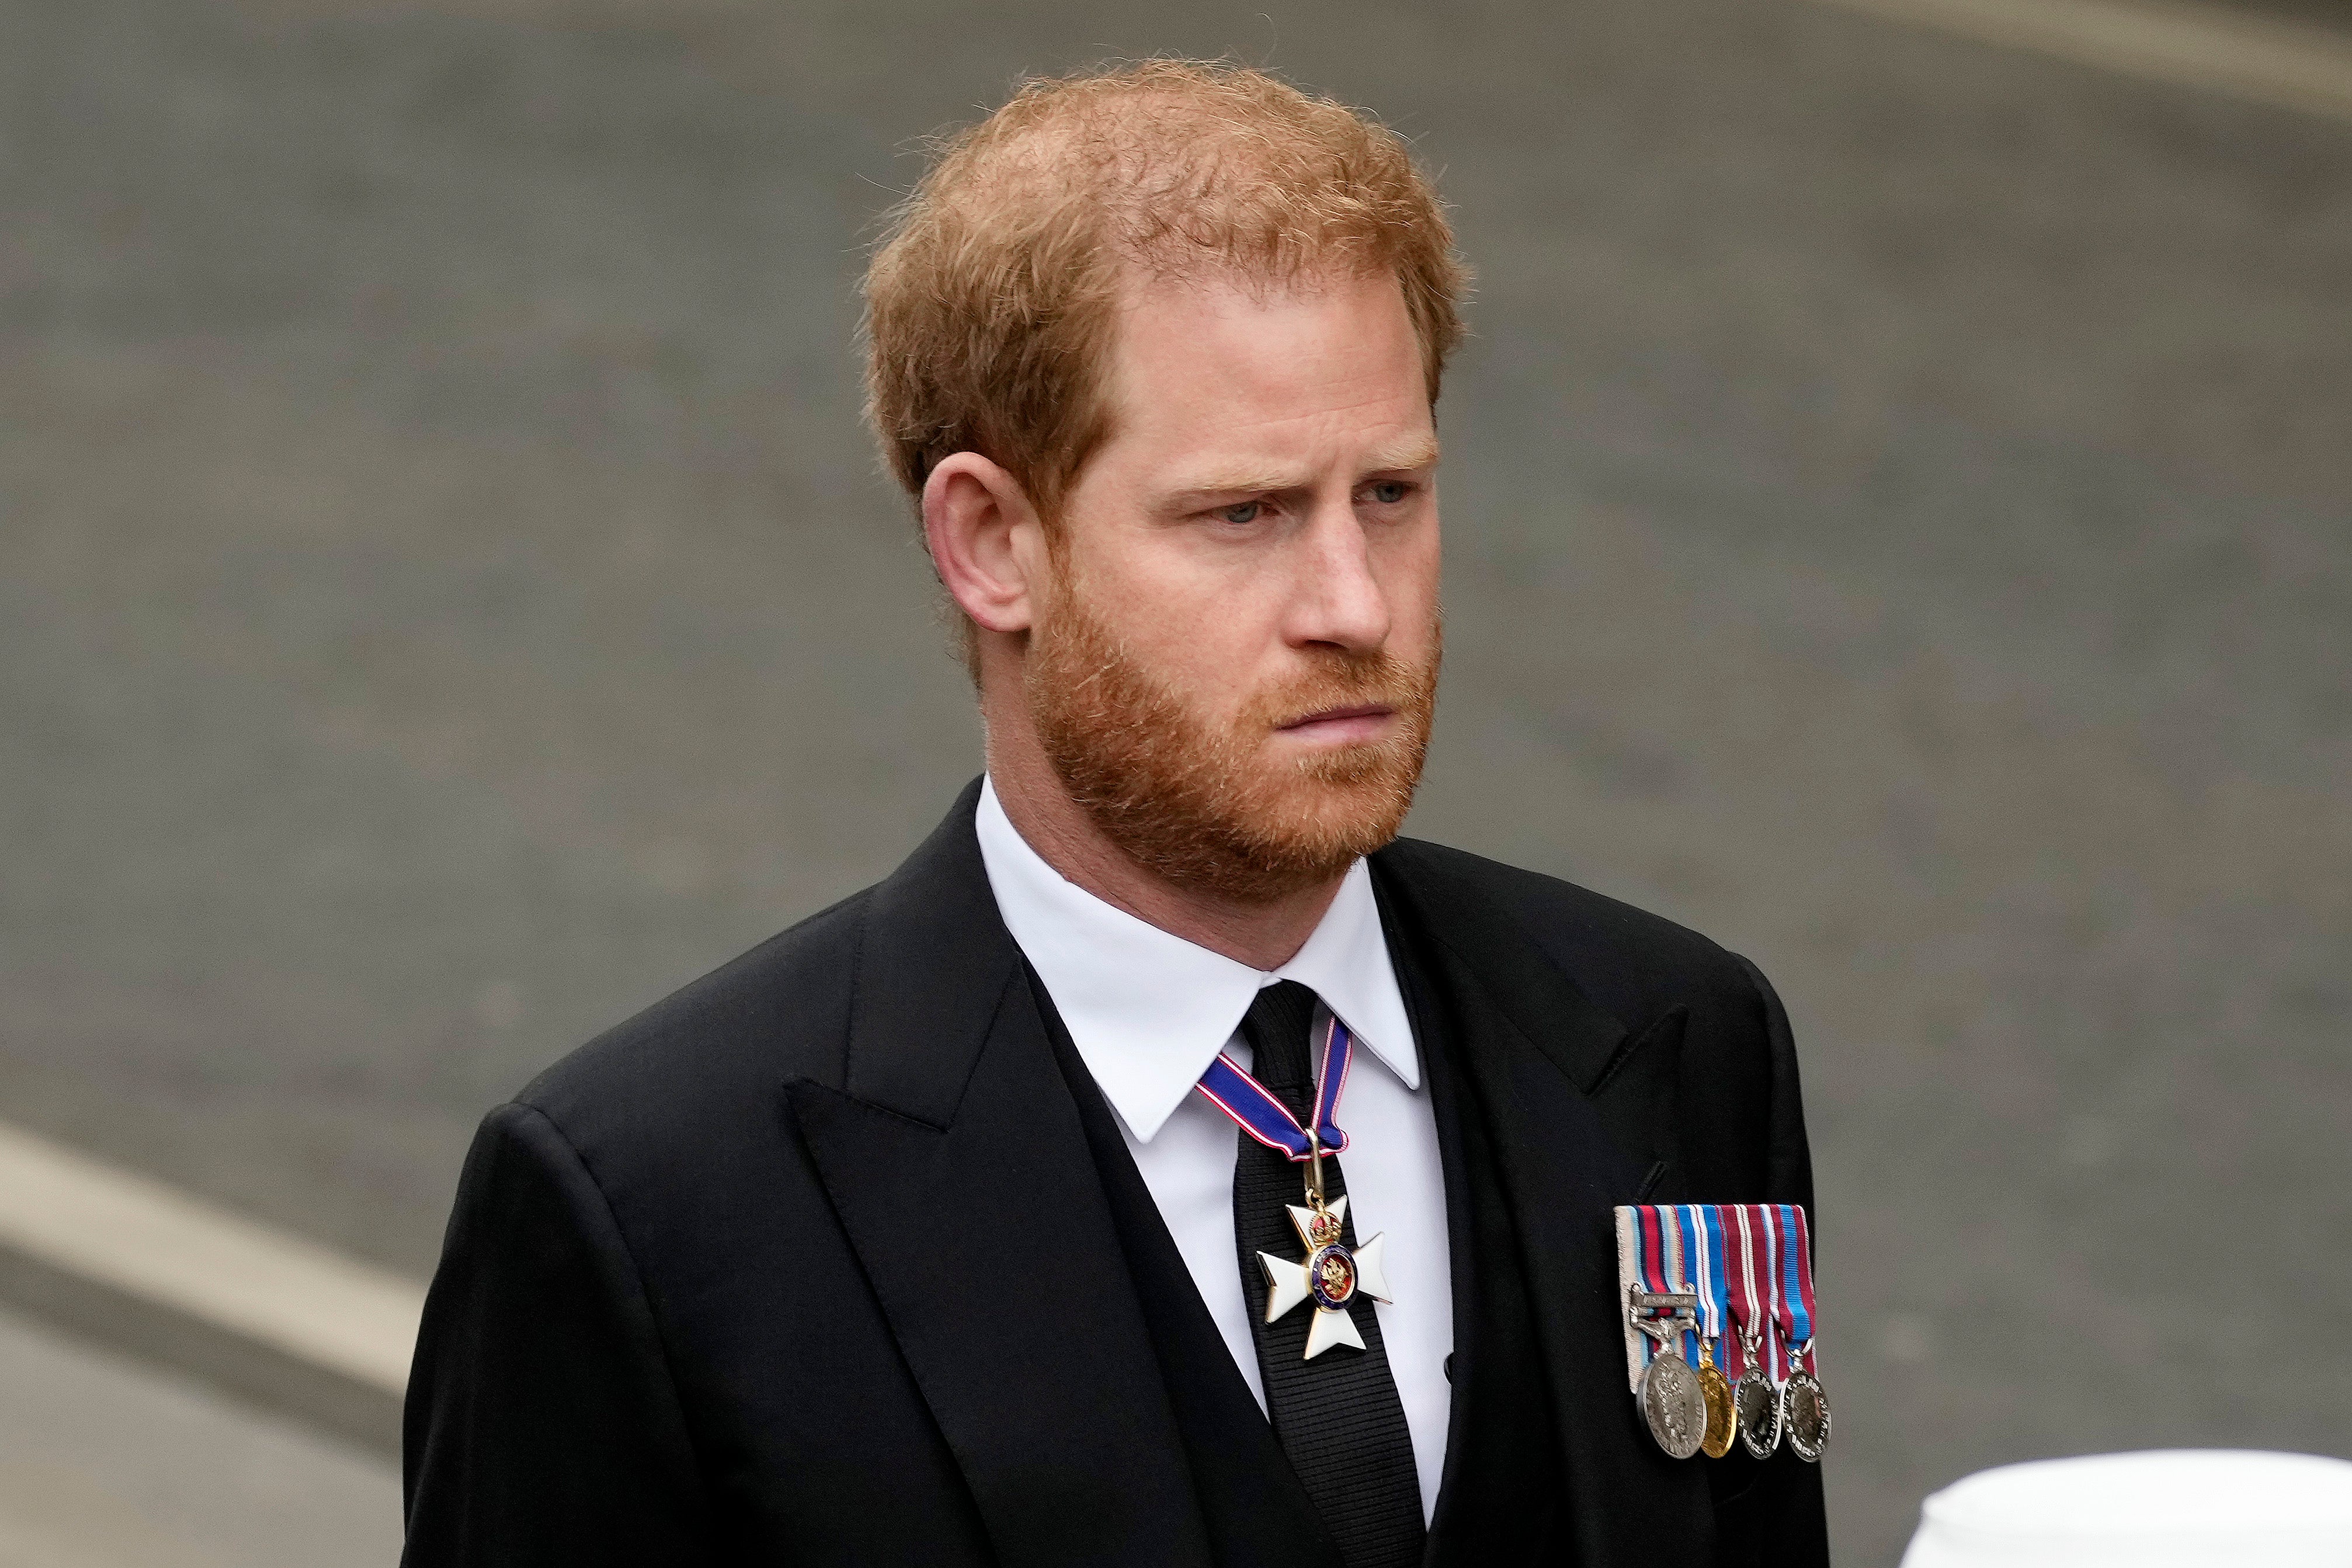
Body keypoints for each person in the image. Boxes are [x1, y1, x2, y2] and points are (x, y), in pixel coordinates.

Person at [400, 60, 1829, 1567]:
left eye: (1391, 495)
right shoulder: (661, 1208)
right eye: (1243, 514)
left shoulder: (1670, 1043)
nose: (1353, 606)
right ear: (992, 543)